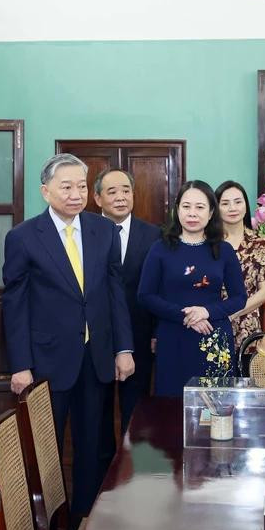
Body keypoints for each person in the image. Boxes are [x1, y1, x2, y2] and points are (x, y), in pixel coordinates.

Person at [2, 153, 134, 522]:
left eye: (80, 186)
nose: (76, 194)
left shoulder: (102, 230)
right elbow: (15, 305)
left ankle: (85, 520)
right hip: (47, 360)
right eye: (66, 187)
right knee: (47, 448)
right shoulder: (23, 238)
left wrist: (123, 348)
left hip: (95, 357)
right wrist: (21, 365)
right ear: (46, 191)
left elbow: (114, 292)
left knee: (92, 446)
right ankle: (46, 522)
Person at [138, 180, 246, 396]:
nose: (192, 213)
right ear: (177, 209)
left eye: (200, 207)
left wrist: (206, 312)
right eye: (186, 207)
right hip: (173, 335)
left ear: (211, 211)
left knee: (216, 407)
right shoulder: (161, 248)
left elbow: (239, 298)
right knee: (172, 407)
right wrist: (185, 315)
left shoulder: (223, 250)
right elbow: (145, 295)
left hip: (213, 335)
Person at [93, 168, 160, 468]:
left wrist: (157, 331)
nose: (120, 197)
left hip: (141, 333)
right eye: (112, 192)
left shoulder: (154, 235)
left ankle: (135, 465)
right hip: (97, 336)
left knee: (137, 405)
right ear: (97, 198)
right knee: (100, 407)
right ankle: (106, 467)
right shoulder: (87, 234)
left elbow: (162, 287)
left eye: (126, 190)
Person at [214, 180, 265, 350]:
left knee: (246, 375)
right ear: (216, 208)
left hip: (247, 326)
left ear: (246, 205)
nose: (232, 208)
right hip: (212, 323)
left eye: (238, 202)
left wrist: (232, 313)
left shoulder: (260, 243)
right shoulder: (208, 243)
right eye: (225, 203)